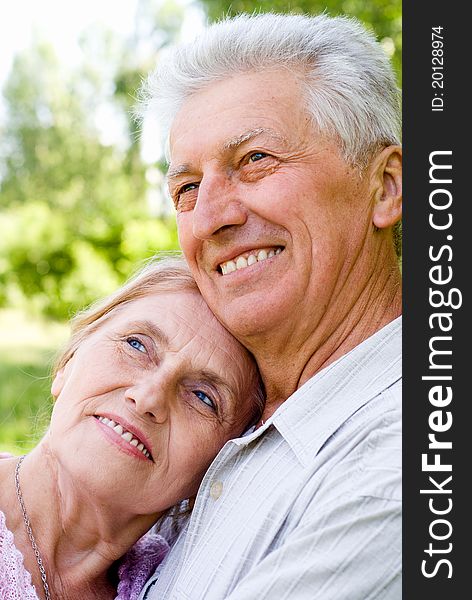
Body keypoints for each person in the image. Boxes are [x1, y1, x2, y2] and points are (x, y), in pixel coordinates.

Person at [136, 11, 402, 600]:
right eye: (186, 189)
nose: (210, 217)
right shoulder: (201, 409)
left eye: (255, 160)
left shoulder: (400, 465)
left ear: (384, 188)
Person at [0, 257, 263, 600]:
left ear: (218, 463)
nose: (148, 397)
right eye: (136, 345)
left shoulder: (178, 584)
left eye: (203, 397)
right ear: (69, 361)